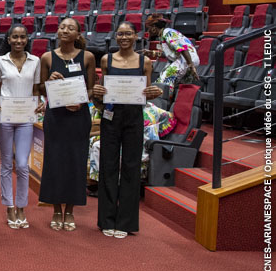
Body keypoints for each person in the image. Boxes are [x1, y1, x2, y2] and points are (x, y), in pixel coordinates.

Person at [92, 21, 163, 238]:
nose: (124, 37)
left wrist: (154, 92)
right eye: (120, 34)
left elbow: (146, 93)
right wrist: (97, 92)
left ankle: (126, 221)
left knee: (132, 166)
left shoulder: (145, 62)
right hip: (111, 116)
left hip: (134, 117)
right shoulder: (107, 59)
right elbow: (101, 98)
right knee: (108, 165)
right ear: (115, 36)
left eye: (128, 33)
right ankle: (107, 219)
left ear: (135, 36)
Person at [39, 16, 96, 231]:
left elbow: (91, 89)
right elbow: (40, 89)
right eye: (62, 27)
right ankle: (55, 209)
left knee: (75, 162)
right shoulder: (46, 57)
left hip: (78, 117)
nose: (65, 30)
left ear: (78, 34)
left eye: (70, 28)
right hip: (55, 117)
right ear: (57, 32)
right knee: (54, 161)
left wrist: (81, 101)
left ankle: (70, 211)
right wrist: (49, 83)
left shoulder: (88, 57)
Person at [0, 24, 43, 229]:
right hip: (4, 114)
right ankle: (9, 206)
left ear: (27, 39)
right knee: (6, 163)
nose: (19, 41)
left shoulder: (35, 61)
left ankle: (21, 205)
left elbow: (36, 88)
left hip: (25, 117)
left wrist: (39, 102)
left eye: (23, 37)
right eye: (15, 37)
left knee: (22, 164)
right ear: (9, 39)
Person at [145, 14, 200, 87]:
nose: (147, 31)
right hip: (183, 60)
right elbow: (169, 54)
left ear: (154, 28)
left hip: (186, 60)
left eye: (148, 28)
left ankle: (163, 98)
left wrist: (191, 66)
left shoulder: (168, 33)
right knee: (177, 85)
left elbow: (182, 49)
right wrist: (152, 53)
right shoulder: (162, 35)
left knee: (164, 83)